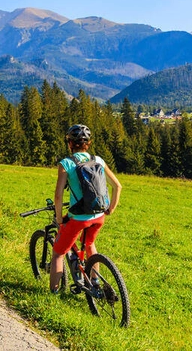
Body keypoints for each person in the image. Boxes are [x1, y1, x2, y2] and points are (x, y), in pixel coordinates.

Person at [49, 124, 122, 293]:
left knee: (58, 253)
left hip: (78, 218)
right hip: (98, 216)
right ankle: (95, 282)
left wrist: (60, 218)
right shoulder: (98, 160)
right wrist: (110, 209)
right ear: (88, 144)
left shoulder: (66, 163)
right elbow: (117, 186)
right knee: (89, 244)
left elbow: (58, 196)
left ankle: (53, 292)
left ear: (69, 143)